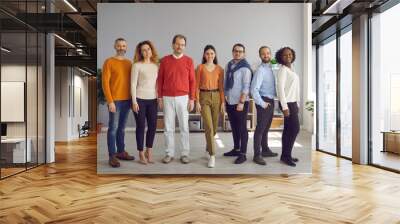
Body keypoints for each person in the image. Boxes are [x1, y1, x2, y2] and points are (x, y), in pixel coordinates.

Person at [157, 34, 196, 164]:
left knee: (184, 126)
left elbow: (192, 81)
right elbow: (160, 80)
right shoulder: (164, 61)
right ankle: (169, 153)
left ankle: (185, 154)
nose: (180, 46)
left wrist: (192, 99)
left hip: (183, 98)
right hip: (167, 97)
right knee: (168, 127)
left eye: (183, 44)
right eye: (178, 44)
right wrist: (160, 97)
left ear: (185, 46)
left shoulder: (189, 61)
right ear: (173, 44)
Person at [102, 38, 135, 168]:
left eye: (124, 46)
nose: (121, 48)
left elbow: (132, 83)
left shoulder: (129, 63)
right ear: (115, 47)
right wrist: (110, 101)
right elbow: (105, 83)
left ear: (126, 48)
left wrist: (132, 100)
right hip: (115, 101)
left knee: (121, 129)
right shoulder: (109, 62)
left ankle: (121, 152)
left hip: (127, 101)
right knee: (113, 129)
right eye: (119, 45)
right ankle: (112, 156)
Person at [195, 45, 224, 168]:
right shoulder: (200, 68)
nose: (210, 55)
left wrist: (223, 102)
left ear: (215, 55)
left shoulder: (220, 69)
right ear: (204, 55)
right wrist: (196, 101)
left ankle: (208, 147)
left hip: (217, 96)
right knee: (209, 126)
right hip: (204, 97)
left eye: (212, 53)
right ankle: (212, 155)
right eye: (207, 53)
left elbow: (222, 87)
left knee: (215, 127)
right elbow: (196, 86)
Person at [223, 43, 252, 164]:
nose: (237, 53)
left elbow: (246, 87)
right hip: (230, 101)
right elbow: (225, 82)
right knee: (234, 127)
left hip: (240, 102)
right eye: (235, 51)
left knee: (242, 129)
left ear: (244, 53)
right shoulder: (228, 65)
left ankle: (243, 154)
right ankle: (236, 149)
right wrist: (225, 98)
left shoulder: (245, 68)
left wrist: (241, 102)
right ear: (232, 52)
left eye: (240, 51)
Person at [131, 40, 159, 165]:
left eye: (148, 49)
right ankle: (141, 153)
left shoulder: (156, 66)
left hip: (153, 100)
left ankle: (149, 151)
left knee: (153, 126)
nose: (146, 52)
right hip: (140, 100)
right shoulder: (137, 65)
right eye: (144, 50)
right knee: (141, 126)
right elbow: (132, 84)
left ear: (151, 50)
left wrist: (159, 97)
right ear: (140, 52)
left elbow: (158, 84)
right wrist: (134, 101)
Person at [250, 46, 279, 166]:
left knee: (266, 128)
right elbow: (253, 90)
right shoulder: (260, 70)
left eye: (268, 53)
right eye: (263, 54)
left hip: (271, 100)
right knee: (260, 129)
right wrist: (262, 103)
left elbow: (277, 64)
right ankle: (257, 155)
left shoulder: (273, 66)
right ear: (260, 56)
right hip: (264, 101)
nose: (266, 55)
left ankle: (265, 150)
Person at [275, 47, 300, 167]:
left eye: (290, 54)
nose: (288, 56)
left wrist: (297, 104)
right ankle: (286, 156)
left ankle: (285, 155)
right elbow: (280, 90)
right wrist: (285, 107)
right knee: (294, 129)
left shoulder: (292, 69)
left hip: (293, 102)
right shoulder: (283, 70)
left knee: (288, 130)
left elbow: (294, 89)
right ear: (280, 57)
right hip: (287, 103)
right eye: (285, 55)